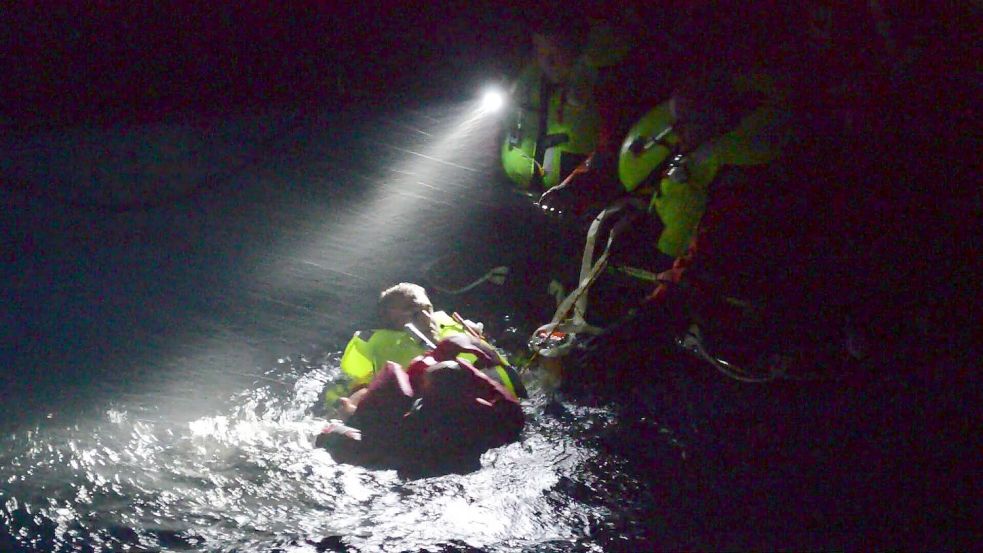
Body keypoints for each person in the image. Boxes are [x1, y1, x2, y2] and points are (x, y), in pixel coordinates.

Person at [324, 283, 526, 417]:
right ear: (389, 320)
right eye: (413, 312)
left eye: (427, 309)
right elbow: (351, 385)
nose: (426, 318)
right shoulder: (375, 345)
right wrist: (348, 408)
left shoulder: (453, 326)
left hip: (506, 403)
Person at [500, 13, 630, 192]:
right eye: (540, 51)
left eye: (556, 52)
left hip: (574, 201)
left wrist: (572, 183)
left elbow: (611, 149)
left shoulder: (598, 88)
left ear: (575, 50)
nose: (548, 61)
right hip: (518, 193)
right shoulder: (527, 82)